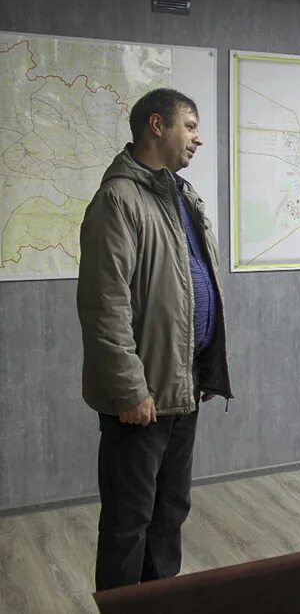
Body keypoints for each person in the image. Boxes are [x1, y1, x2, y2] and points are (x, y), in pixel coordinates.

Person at [77, 88, 232, 590]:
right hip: (141, 397)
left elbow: (191, 285)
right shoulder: (118, 200)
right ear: (157, 126)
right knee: (129, 521)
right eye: (190, 125)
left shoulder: (182, 196)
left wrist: (206, 368)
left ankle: (161, 604)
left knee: (170, 512)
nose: (199, 138)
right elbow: (105, 306)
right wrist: (129, 390)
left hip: (181, 386)